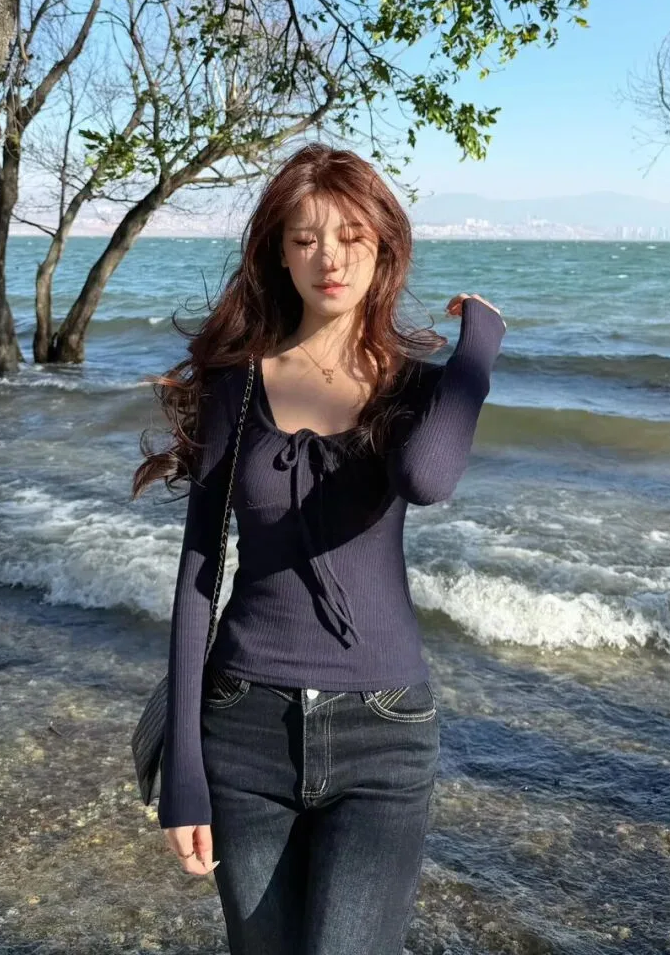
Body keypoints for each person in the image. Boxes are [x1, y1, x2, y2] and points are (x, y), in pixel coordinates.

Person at [132, 142, 506, 955]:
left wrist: (476, 352)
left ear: (384, 247)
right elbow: (199, 574)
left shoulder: (416, 387)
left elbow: (428, 479)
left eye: (350, 237)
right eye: (305, 239)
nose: (328, 258)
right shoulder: (236, 383)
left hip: (385, 732)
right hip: (244, 724)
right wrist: (184, 772)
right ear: (279, 252)